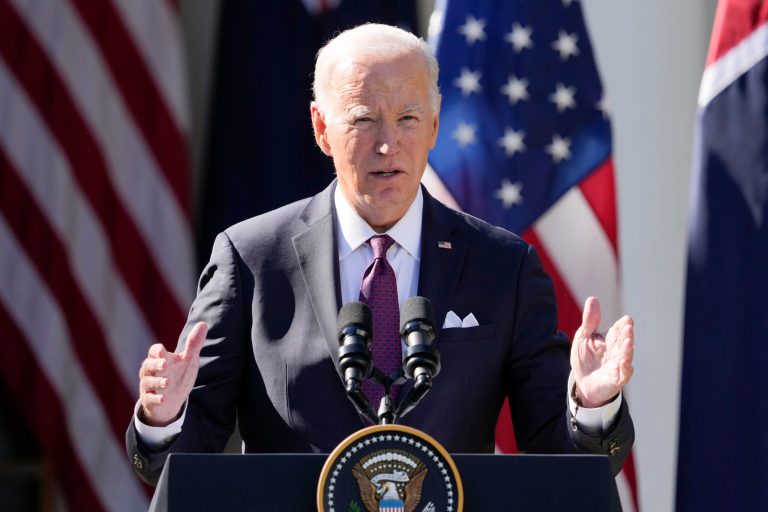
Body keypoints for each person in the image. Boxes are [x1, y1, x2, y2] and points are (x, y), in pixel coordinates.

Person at [126, 23, 635, 486]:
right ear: (322, 128)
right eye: (364, 119)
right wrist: (164, 418)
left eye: (408, 118)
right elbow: (179, 463)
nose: (388, 144)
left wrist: (591, 405)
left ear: (435, 126)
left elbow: (561, 458)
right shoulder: (252, 259)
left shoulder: (503, 267)